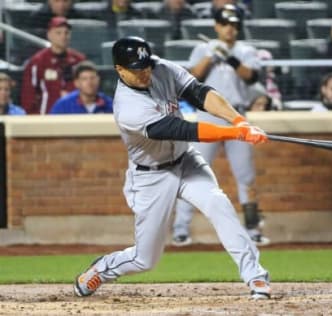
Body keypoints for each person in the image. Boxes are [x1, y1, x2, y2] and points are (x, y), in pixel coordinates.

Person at [73, 36, 271, 300]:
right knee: (146, 260)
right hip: (151, 176)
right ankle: (103, 267)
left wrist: (238, 120)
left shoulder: (160, 67)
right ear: (119, 70)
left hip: (185, 160)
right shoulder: (128, 107)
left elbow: (199, 93)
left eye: (145, 65)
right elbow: (182, 129)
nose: (144, 72)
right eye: (135, 68)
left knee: (218, 204)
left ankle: (255, 276)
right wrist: (235, 133)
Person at [171, 4, 269, 247]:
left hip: (237, 115)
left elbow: (252, 77)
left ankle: (253, 228)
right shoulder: (204, 48)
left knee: (245, 175)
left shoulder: (246, 51)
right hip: (207, 116)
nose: (230, 29)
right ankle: (181, 228)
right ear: (216, 26)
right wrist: (212, 56)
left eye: (234, 25)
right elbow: (193, 78)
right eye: (225, 24)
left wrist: (232, 58)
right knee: (192, 172)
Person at [21, 17, 86, 114]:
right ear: (49, 35)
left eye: (66, 33)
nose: (63, 36)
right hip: (47, 117)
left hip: (75, 116)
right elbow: (28, 95)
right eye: (58, 33)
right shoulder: (37, 61)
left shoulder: (79, 60)